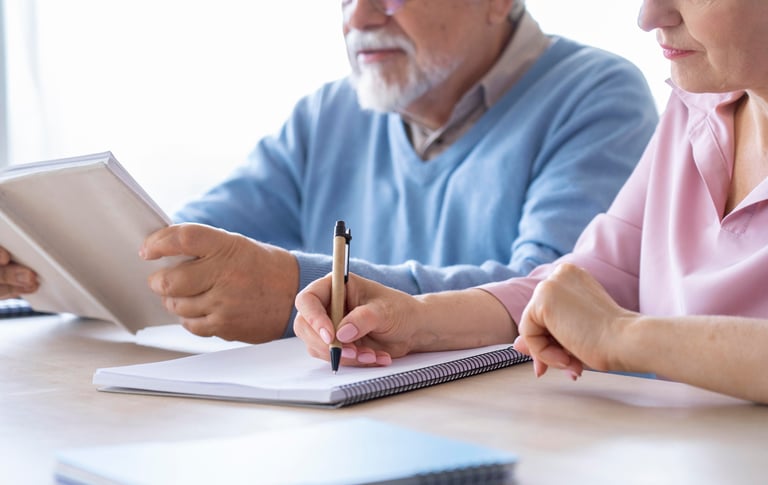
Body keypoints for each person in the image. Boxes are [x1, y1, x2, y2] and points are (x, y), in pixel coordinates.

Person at [0, 0, 658, 343]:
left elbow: (558, 296)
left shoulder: (599, 96)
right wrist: (49, 256)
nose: (359, 16)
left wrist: (293, 288)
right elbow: (188, 245)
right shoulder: (330, 113)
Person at [293, 0, 768, 404]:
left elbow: (603, 320)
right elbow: (588, 282)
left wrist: (624, 337)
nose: (648, 15)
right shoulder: (695, 107)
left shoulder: (595, 91)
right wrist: (416, 320)